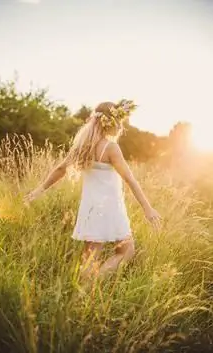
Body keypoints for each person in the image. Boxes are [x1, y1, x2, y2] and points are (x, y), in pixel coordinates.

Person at [24, 100, 161, 279]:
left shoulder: (83, 147)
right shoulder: (111, 148)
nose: (121, 125)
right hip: (111, 209)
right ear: (112, 121)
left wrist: (38, 191)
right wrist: (147, 209)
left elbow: (60, 170)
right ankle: (94, 282)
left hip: (89, 209)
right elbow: (131, 180)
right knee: (126, 251)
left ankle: (81, 295)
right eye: (119, 120)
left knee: (89, 260)